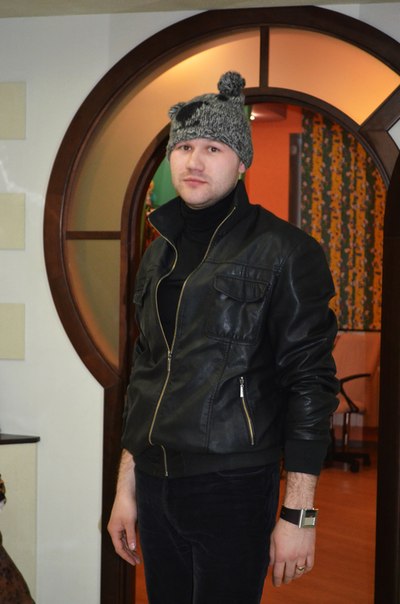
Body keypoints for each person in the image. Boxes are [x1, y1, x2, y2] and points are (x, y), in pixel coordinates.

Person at [108, 71, 338, 604]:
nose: (194, 160)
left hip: (233, 485)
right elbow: (147, 371)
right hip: (156, 480)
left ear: (241, 162)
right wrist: (126, 487)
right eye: (184, 146)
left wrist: (299, 513)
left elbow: (311, 384)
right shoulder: (158, 253)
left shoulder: (286, 251)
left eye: (213, 148)